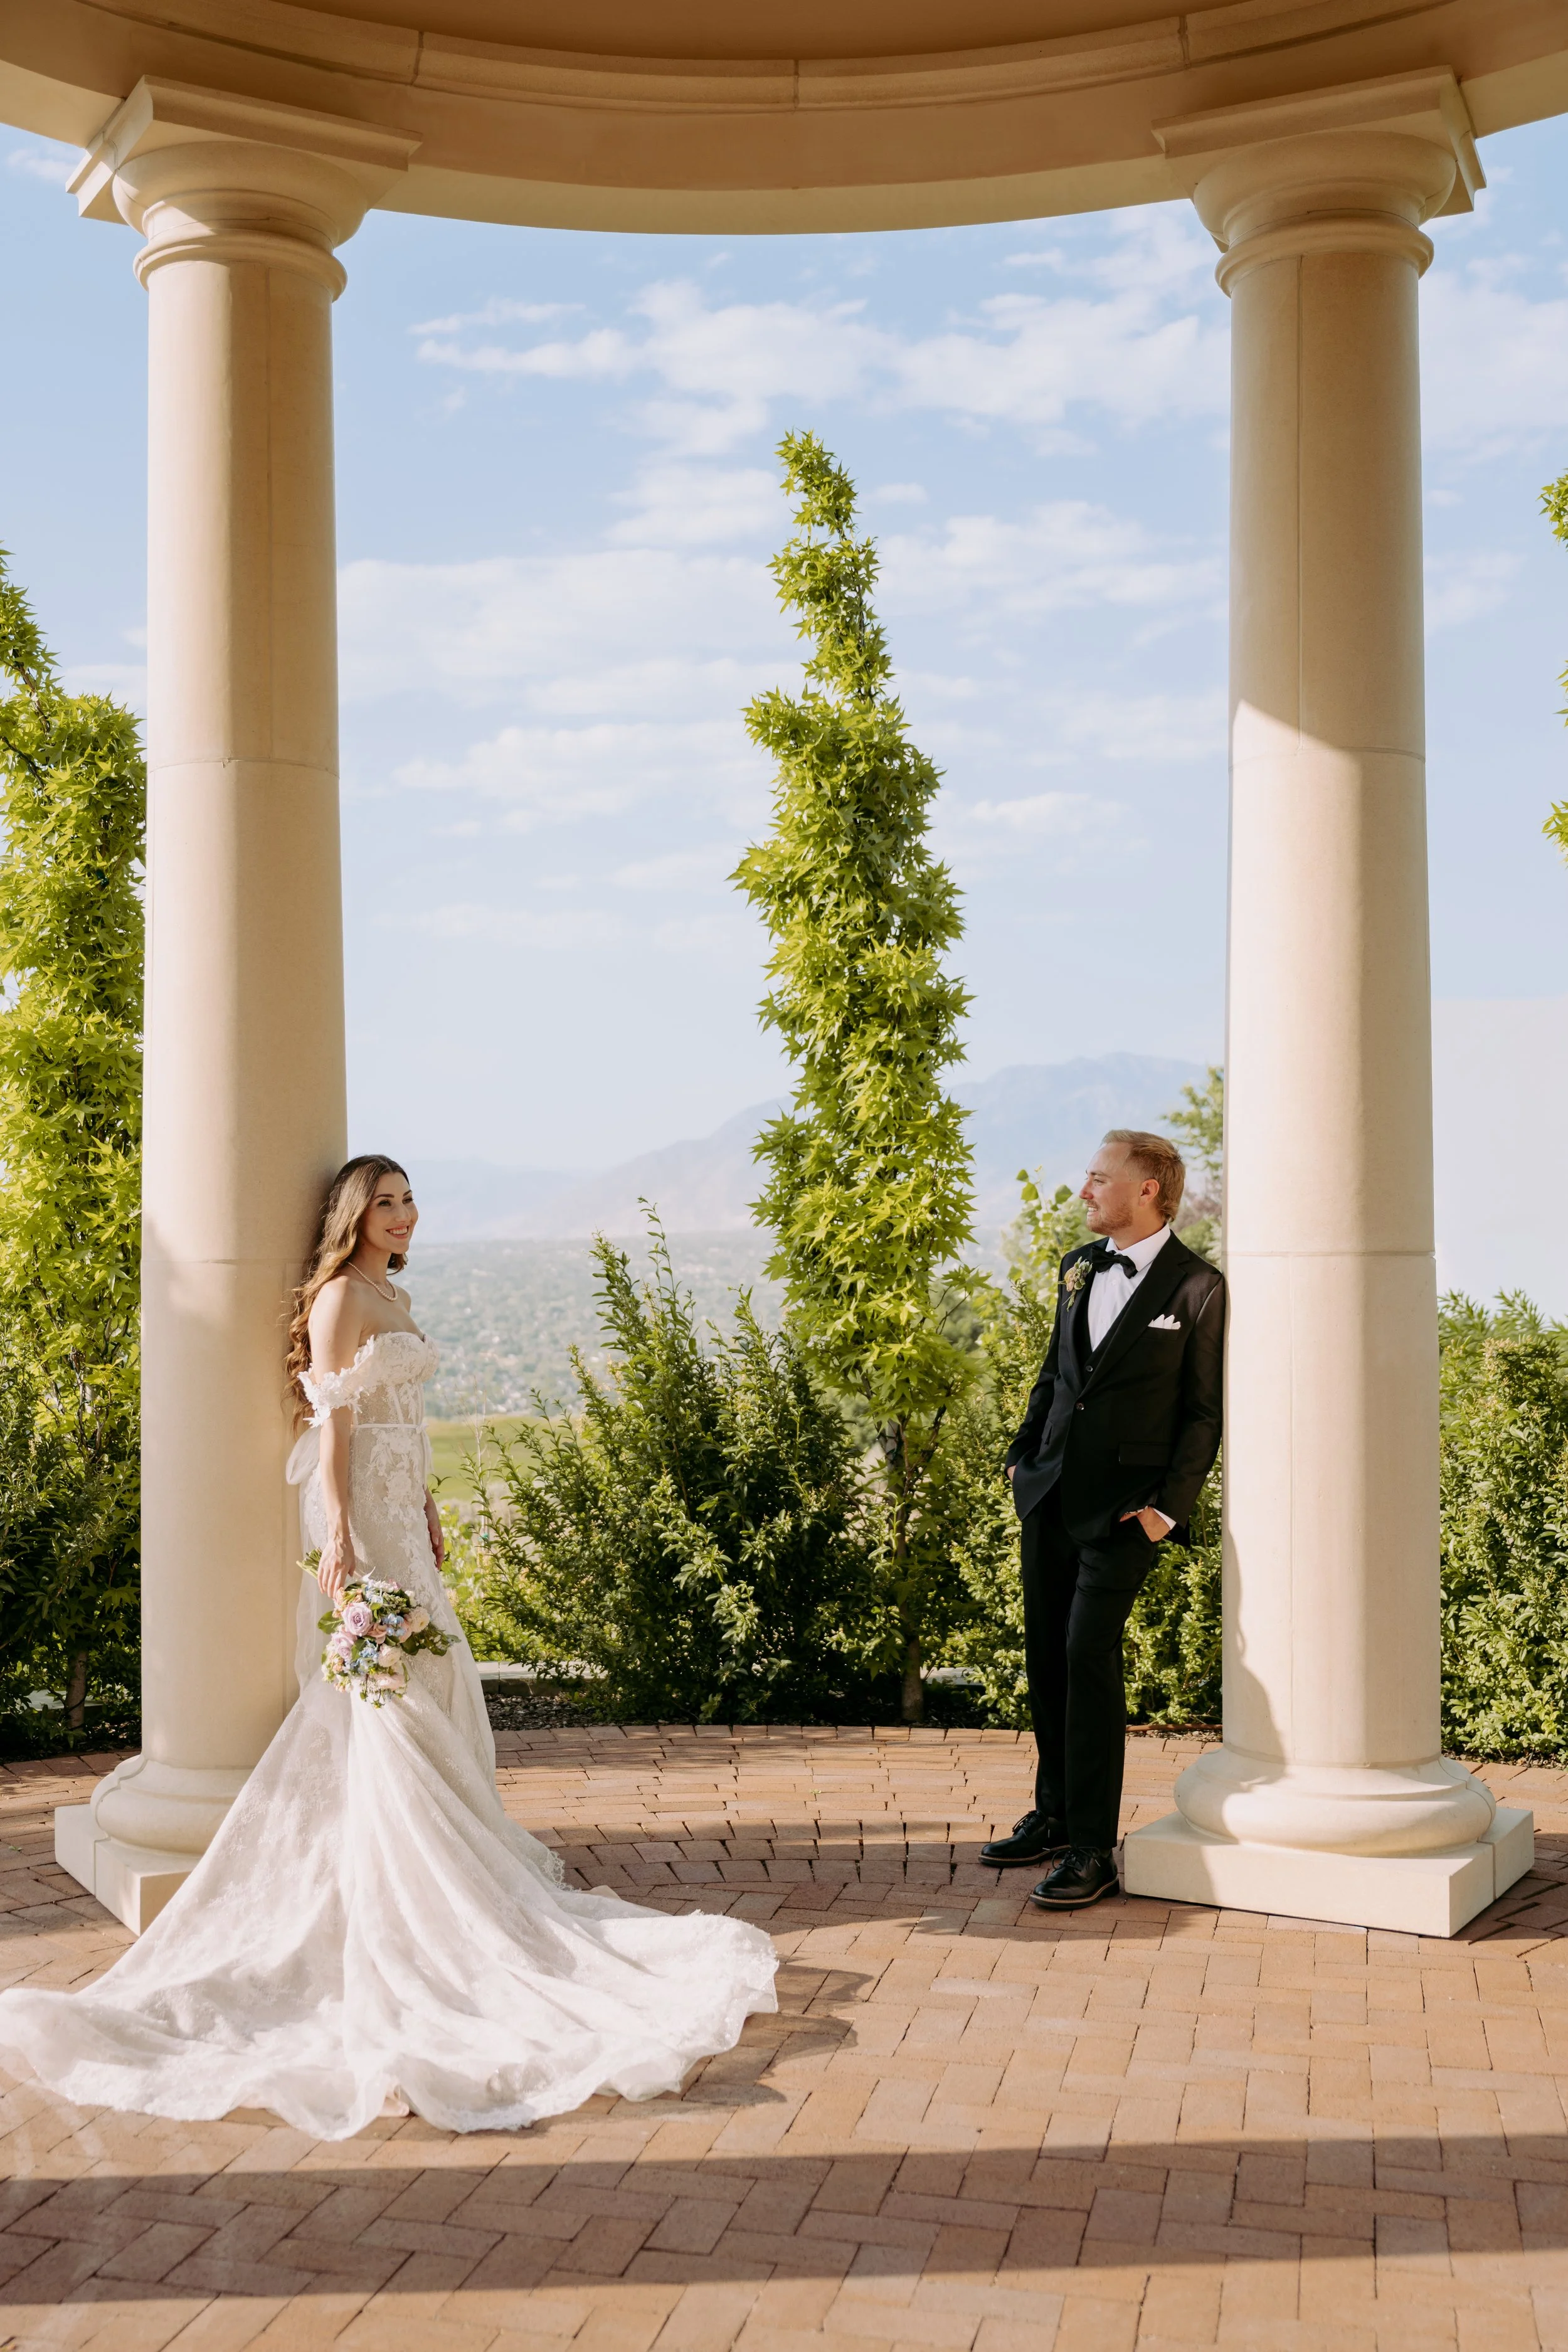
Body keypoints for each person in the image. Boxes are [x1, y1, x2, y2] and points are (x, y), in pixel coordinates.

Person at [0, 1155, 777, 2138]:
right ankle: (411, 1896)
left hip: (405, 1512)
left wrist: (426, 1505)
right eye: (386, 1201)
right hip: (363, 1514)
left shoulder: (389, 1292)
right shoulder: (337, 1297)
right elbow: (336, 1421)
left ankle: (452, 1873)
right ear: (353, 1215)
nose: (404, 1214)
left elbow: (405, 1417)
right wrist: (346, 1535)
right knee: (386, 1694)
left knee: (431, 1673)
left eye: (408, 1199)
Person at [982, 1130, 1224, 1910]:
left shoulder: (1199, 1290)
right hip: (1048, 1494)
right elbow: (1057, 1376)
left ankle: (1092, 1846)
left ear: (1147, 1188)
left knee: (1087, 1654)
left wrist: (1167, 1510)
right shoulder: (1076, 1268)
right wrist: (1021, 1457)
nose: (1083, 1191)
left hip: (1125, 1515)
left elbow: (1203, 1413)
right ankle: (1053, 1816)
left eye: (1096, 1178)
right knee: (1047, 1658)